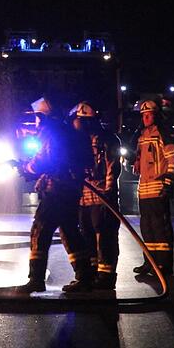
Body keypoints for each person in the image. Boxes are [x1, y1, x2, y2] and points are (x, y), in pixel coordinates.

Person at [15, 97, 95, 293]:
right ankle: (85, 276)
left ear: (42, 117)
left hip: (57, 189)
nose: (35, 122)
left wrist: (26, 167)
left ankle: (36, 279)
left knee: (40, 229)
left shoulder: (51, 132)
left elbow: (44, 160)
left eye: (36, 118)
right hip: (70, 189)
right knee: (69, 230)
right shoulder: (65, 131)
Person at [69, 102, 121, 290]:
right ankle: (91, 273)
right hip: (84, 198)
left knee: (104, 236)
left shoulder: (107, 140)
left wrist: (107, 192)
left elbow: (112, 167)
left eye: (79, 121)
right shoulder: (80, 141)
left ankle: (106, 276)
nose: (76, 125)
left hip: (101, 198)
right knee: (87, 236)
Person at [132, 99, 174, 275]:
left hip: (158, 186)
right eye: (143, 115)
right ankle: (150, 262)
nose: (145, 118)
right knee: (147, 227)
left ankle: (164, 265)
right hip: (144, 189)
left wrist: (168, 181)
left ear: (156, 116)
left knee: (160, 228)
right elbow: (139, 156)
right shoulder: (142, 136)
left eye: (149, 114)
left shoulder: (163, 134)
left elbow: (172, 159)